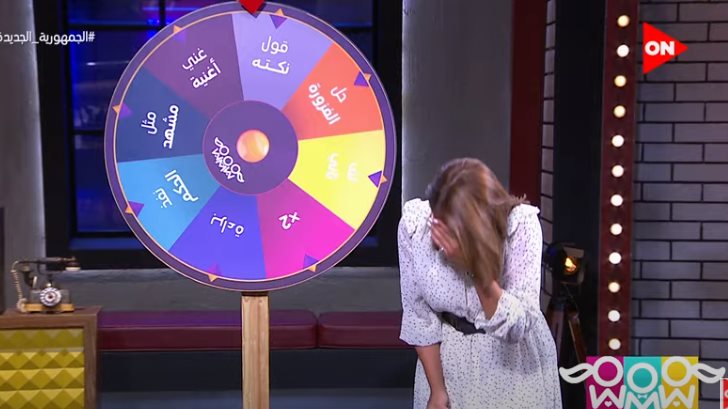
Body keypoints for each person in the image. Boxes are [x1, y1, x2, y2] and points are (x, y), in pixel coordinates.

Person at [398, 158, 561, 409]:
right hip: (447, 362)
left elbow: (516, 326)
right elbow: (418, 315)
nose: (440, 238)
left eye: (452, 229)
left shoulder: (520, 226)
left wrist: (474, 266)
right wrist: (437, 390)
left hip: (512, 362)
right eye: (438, 221)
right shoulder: (415, 225)